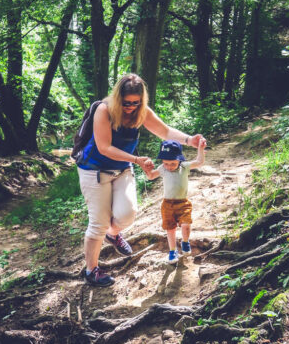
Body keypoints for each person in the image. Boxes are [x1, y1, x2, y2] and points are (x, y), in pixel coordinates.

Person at [76, 73, 206, 286]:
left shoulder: (141, 112)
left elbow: (164, 131)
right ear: (118, 98)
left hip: (122, 170)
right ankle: (92, 270)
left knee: (127, 214)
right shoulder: (104, 110)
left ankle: (113, 234)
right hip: (94, 170)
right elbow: (104, 147)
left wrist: (189, 140)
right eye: (127, 103)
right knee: (98, 222)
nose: (131, 107)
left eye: (136, 103)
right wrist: (136, 159)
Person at [144, 138, 206, 263]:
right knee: (170, 228)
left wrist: (200, 148)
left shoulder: (184, 166)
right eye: (166, 163)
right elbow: (150, 176)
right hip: (167, 204)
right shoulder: (162, 168)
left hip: (183, 203)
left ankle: (185, 242)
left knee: (186, 224)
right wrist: (146, 167)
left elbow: (199, 162)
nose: (169, 167)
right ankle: (172, 251)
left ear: (179, 159)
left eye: (173, 163)